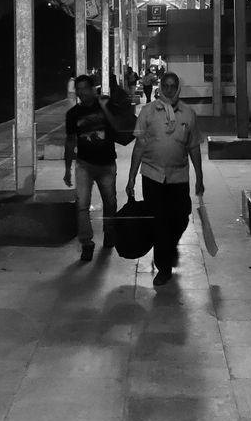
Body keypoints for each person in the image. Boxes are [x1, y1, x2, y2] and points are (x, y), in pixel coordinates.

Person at [127, 71, 204, 285]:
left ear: (178, 88)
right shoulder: (148, 112)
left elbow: (194, 147)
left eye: (173, 86)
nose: (169, 90)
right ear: (160, 87)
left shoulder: (188, 114)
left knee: (181, 216)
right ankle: (164, 266)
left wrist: (199, 176)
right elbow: (139, 145)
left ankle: (169, 245)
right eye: (166, 86)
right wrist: (131, 177)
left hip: (178, 176)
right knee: (159, 221)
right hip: (152, 175)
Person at [64, 74, 120, 262]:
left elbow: (118, 126)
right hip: (84, 164)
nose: (81, 92)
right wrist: (67, 168)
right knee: (82, 204)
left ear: (92, 89)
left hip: (106, 164)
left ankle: (110, 230)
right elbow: (70, 141)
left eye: (84, 88)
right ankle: (86, 243)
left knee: (110, 202)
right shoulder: (73, 115)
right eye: (78, 89)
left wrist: (105, 107)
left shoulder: (105, 106)